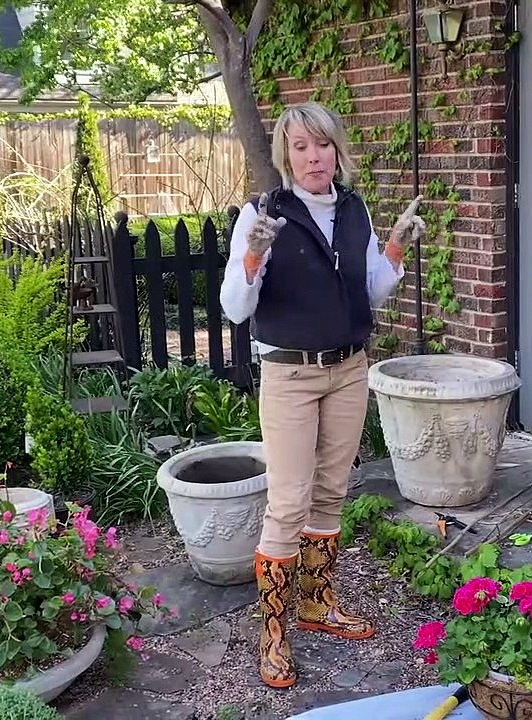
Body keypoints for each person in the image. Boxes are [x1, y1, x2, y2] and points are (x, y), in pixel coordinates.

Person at [220, 101, 426, 689]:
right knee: (289, 502)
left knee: (331, 492)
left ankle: (316, 602)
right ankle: (274, 633)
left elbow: (368, 293)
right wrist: (254, 254)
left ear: (338, 150)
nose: (314, 157)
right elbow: (236, 308)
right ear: (287, 156)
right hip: (289, 374)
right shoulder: (263, 214)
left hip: (348, 369)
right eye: (302, 147)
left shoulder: (354, 208)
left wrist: (395, 247)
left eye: (324, 145)